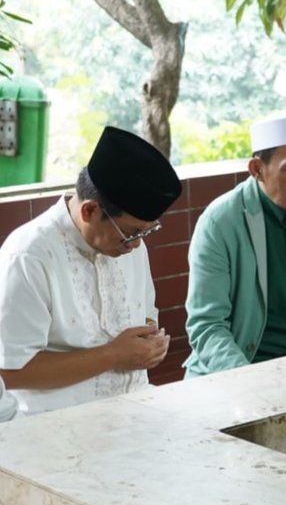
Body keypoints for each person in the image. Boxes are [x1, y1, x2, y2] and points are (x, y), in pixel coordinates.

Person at [0, 126, 182, 414]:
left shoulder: (130, 245)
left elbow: (145, 316)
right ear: (90, 211)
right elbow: (11, 372)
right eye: (131, 233)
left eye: (146, 233)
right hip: (54, 430)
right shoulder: (29, 256)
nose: (135, 245)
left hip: (136, 410)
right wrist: (113, 356)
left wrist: (148, 345)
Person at [183, 111, 286, 378]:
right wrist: (248, 381)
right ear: (257, 169)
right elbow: (206, 326)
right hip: (241, 369)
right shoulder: (220, 222)